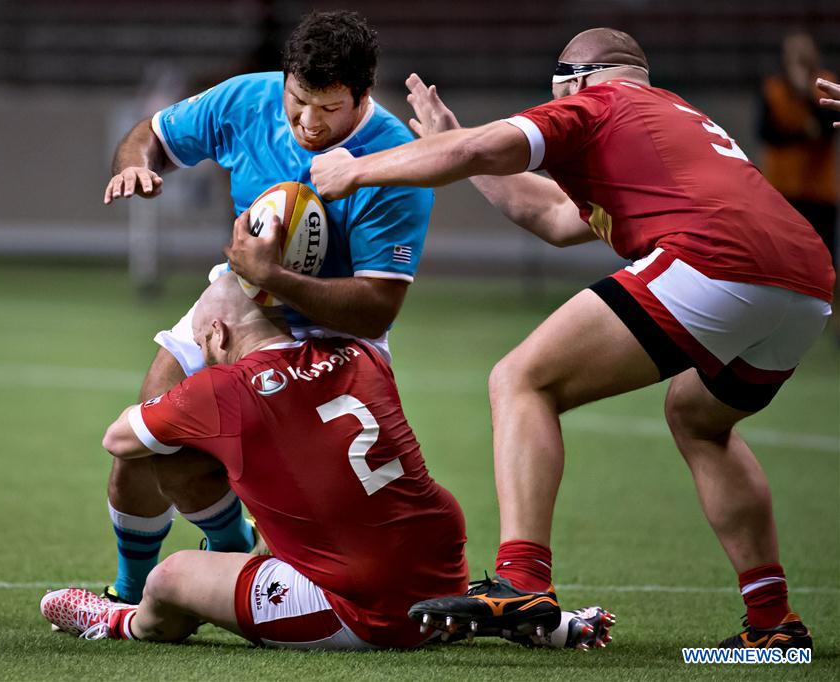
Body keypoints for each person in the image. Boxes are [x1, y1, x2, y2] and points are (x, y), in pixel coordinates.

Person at [311, 27, 834, 650]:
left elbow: (484, 148)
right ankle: (774, 625)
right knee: (699, 419)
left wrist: (358, 169)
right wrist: (452, 140)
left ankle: (521, 578)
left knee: (522, 379)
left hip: (715, 261)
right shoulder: (671, 120)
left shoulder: (597, 102)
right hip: (808, 283)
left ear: (577, 80)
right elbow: (554, 217)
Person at [40, 275, 611, 650]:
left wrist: (186, 387)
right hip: (440, 563)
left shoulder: (220, 388)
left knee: (172, 579)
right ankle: (529, 620)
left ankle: (115, 620)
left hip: (355, 601)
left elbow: (120, 438)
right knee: (315, 515)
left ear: (216, 332)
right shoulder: (358, 351)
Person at [99, 10, 433, 605]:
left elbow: (377, 308)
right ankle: (136, 588)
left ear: (362, 95)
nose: (307, 122)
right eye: (297, 100)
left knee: (308, 493)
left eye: (328, 109)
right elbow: (150, 132)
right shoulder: (247, 99)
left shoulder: (396, 161)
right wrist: (135, 166)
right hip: (242, 295)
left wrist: (273, 274)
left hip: (337, 334)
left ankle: (229, 555)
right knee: (149, 436)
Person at [758, 32, 837, 274]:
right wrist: (806, 134)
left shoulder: (827, 83)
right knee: (785, 254)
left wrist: (806, 95)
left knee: (823, 256)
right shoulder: (773, 87)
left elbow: (828, 130)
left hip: (819, 187)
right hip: (783, 186)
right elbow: (766, 133)